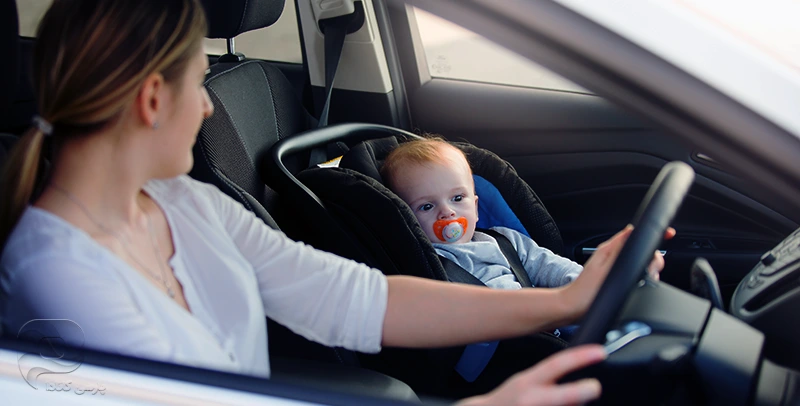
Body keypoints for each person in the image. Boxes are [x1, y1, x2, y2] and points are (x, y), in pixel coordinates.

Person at [0, 1, 662, 404]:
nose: (208, 109)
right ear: (151, 100)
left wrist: (563, 301)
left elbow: (353, 297)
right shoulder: (58, 271)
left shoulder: (185, 205)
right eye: (200, 87)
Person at [381, 138, 667, 292]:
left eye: (458, 198)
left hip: (548, 327)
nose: (448, 211)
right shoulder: (425, 267)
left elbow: (550, 267)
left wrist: (595, 283)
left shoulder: (506, 241)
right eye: (427, 206)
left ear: (477, 207)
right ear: (407, 217)